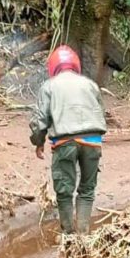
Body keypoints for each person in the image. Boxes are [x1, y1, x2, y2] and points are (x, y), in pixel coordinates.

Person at [29, 45, 107, 234]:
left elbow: (40, 120)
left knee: (64, 191)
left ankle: (69, 236)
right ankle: (83, 233)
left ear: (53, 67)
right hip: (93, 141)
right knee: (87, 190)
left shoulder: (49, 86)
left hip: (64, 143)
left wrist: (38, 142)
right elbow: (100, 111)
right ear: (76, 65)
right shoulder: (90, 85)